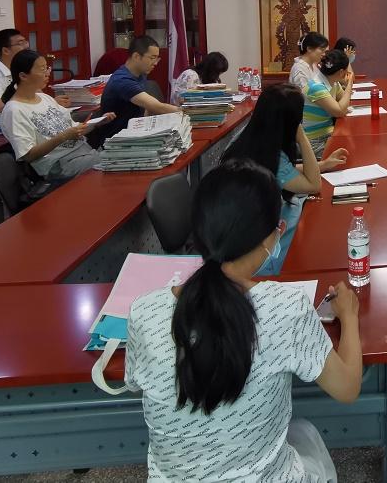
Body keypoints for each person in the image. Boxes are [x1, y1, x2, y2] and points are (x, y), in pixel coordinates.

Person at [125, 160, 362, 482]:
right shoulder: (286, 308)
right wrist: (349, 316)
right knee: (305, 433)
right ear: (271, 237)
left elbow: (138, 384)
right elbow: (348, 388)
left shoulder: (143, 311)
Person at [224, 84, 348, 273]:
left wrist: (323, 165)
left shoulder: (252, 139)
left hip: (244, 235)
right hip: (260, 248)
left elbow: (279, 170)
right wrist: (302, 137)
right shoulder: (269, 151)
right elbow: (314, 185)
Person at [0, 49, 114, 185]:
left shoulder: (45, 98)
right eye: (42, 69)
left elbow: (75, 130)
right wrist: (63, 136)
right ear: (23, 76)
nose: (48, 73)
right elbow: (28, 155)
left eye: (47, 68)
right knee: (115, 162)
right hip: (59, 165)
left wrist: (97, 123)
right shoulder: (14, 110)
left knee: (122, 155)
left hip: (83, 153)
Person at [94, 36, 181, 141]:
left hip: (135, 132)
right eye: (152, 58)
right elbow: (157, 106)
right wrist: (189, 112)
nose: (155, 63)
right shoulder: (122, 80)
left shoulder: (140, 74)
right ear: (136, 56)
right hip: (117, 141)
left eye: (157, 58)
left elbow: (145, 108)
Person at [302, 49, 353, 157]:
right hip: (314, 142)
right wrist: (349, 84)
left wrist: (345, 86)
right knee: (349, 154)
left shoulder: (332, 82)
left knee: (353, 147)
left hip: (328, 134)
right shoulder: (316, 87)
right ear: (341, 72)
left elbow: (344, 101)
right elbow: (340, 111)